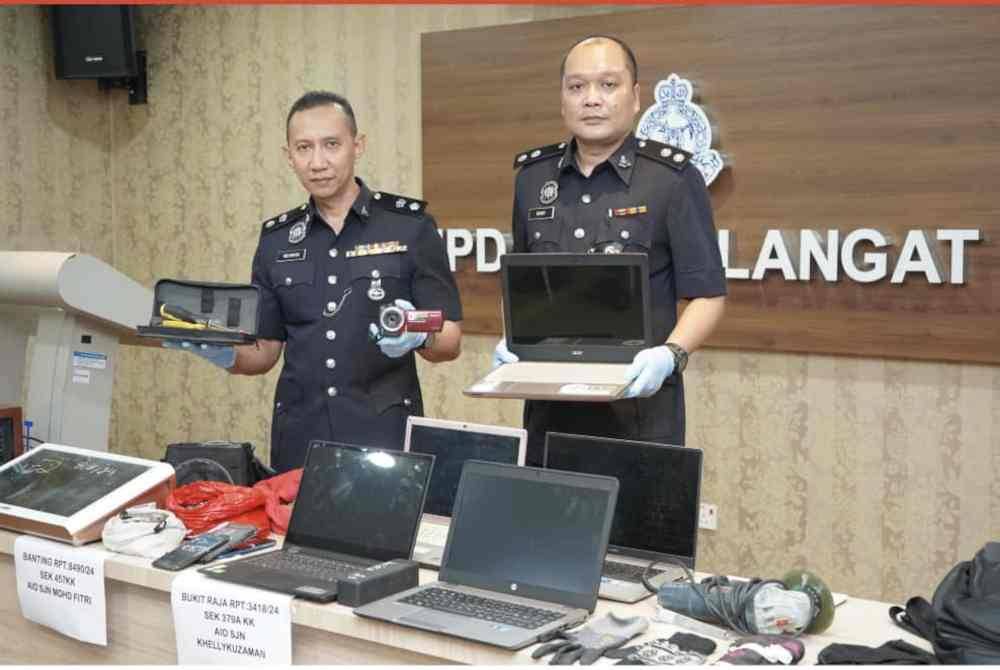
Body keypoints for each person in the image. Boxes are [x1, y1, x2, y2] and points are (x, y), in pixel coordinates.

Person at [171, 91, 462, 472]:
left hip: (383, 435)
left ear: (357, 146)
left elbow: (451, 340)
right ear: (288, 155)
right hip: (300, 437)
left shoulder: (410, 227)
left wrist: (421, 336)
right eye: (304, 148)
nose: (318, 162)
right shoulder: (276, 240)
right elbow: (264, 352)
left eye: (331, 145)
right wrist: (218, 349)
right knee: (295, 534)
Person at [497, 36, 726, 466]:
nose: (592, 100)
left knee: (635, 533)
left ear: (635, 96)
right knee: (549, 528)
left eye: (607, 85)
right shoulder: (532, 178)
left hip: (640, 410)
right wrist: (510, 335)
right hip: (551, 407)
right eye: (577, 87)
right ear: (562, 99)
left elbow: (708, 294)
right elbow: (521, 277)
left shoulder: (671, 179)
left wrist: (670, 355)